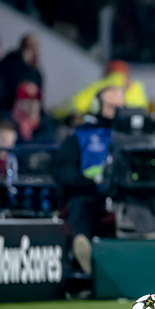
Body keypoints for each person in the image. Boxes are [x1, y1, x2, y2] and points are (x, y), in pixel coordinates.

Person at [53, 86, 125, 276]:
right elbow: (64, 172)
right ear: (97, 106)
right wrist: (92, 182)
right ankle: (82, 246)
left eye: (120, 107)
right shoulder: (79, 136)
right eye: (111, 107)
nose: (116, 113)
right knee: (81, 205)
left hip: (124, 197)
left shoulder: (130, 137)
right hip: (90, 194)